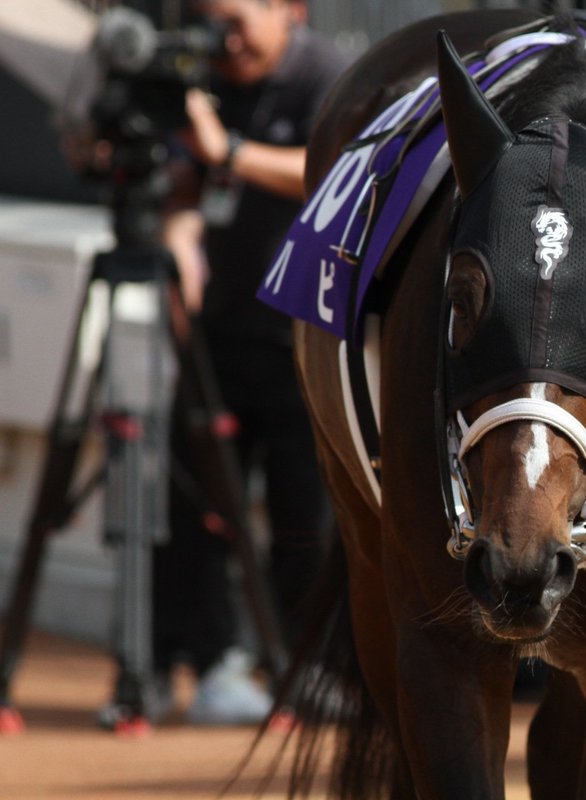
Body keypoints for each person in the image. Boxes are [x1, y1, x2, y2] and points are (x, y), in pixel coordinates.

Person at [97, 0, 350, 728]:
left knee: (307, 517)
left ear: (289, 11)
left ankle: (308, 670)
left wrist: (229, 152)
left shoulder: (327, 77)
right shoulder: (203, 74)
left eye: (239, 20)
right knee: (197, 505)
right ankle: (209, 662)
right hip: (217, 337)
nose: (226, 38)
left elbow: (332, 177)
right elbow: (183, 185)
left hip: (304, 341)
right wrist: (177, 232)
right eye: (216, 21)